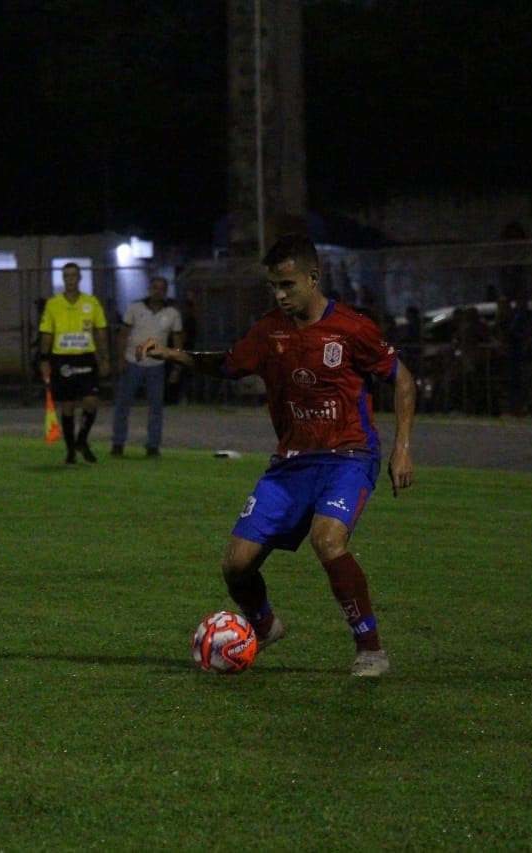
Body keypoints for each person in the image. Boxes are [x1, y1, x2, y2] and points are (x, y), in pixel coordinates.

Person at [139, 234, 415, 678]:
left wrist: (402, 450)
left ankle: (370, 649)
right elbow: (227, 366)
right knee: (236, 565)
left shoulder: (352, 328)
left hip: (349, 457)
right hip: (291, 464)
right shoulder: (270, 331)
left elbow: (403, 379)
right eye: (274, 286)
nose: (281, 295)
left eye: (288, 285)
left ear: (313, 277)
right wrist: (171, 353)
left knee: (327, 540)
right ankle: (265, 628)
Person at [37, 262, 110, 464]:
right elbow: (46, 334)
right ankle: (70, 450)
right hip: (63, 360)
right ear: (63, 279)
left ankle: (82, 440)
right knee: (67, 407)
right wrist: (44, 359)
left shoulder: (91, 302)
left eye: (74, 275)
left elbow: (101, 331)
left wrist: (104, 357)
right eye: (66, 275)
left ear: (79, 278)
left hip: (86, 357)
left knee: (91, 402)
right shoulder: (53, 304)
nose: (70, 279)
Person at [110, 276, 183, 458]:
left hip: (157, 366)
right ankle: (118, 443)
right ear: (149, 289)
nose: (156, 291)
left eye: (161, 288)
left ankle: (153, 445)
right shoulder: (135, 308)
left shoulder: (172, 313)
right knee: (122, 405)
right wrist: (120, 359)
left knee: (156, 408)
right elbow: (123, 335)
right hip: (133, 361)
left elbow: (177, 341)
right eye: (154, 287)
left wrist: (176, 367)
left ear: (165, 291)